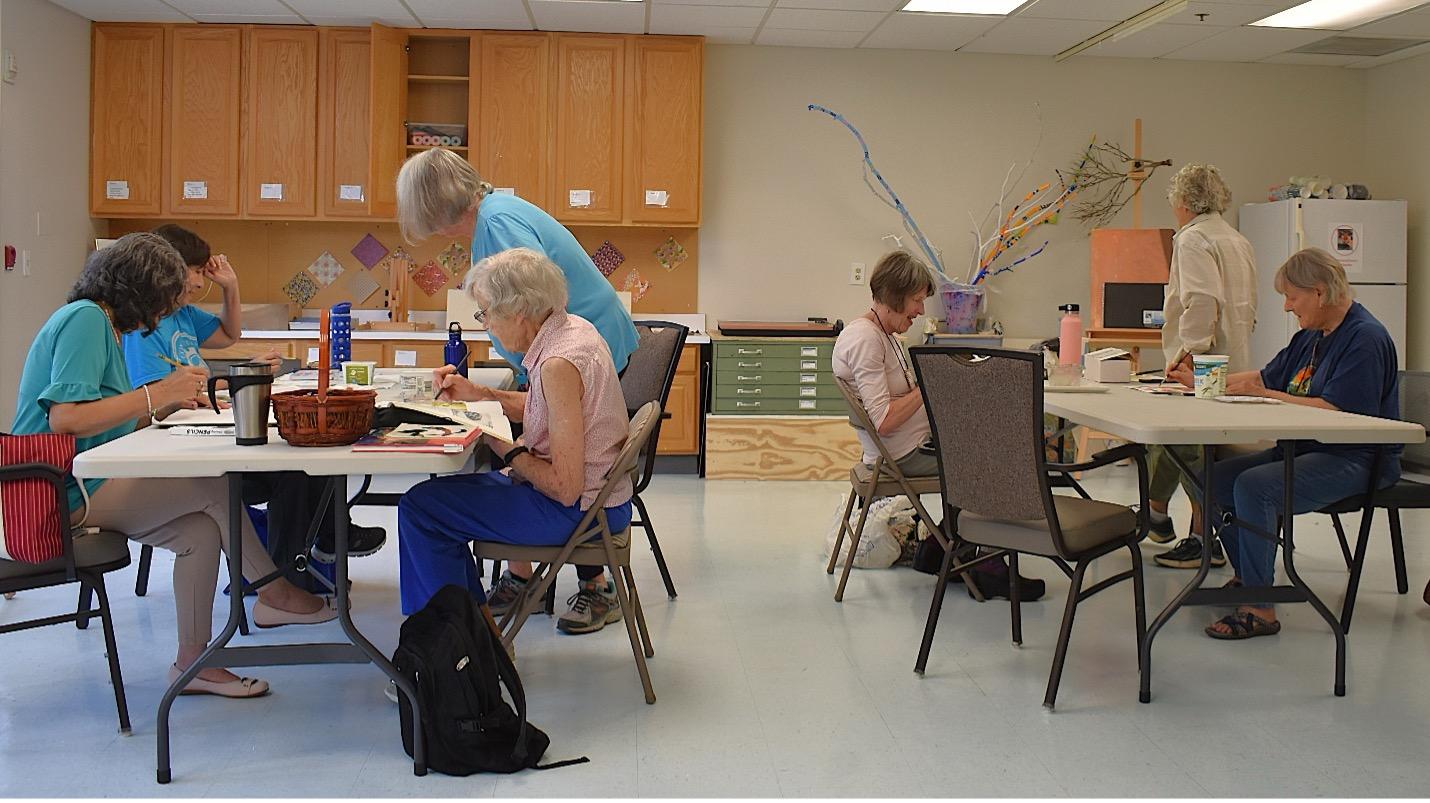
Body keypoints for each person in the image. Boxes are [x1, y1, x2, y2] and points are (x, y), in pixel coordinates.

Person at [11, 233, 336, 697]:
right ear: (139, 289)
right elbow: (66, 418)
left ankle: (193, 664)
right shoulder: (86, 319)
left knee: (199, 533)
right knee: (213, 486)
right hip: (59, 488)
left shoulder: (103, 324)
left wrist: (167, 401)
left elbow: (110, 416)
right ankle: (273, 592)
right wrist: (158, 393)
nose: (165, 310)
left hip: (87, 476)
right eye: (164, 298)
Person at [121, 225, 387, 586]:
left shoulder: (182, 314)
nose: (199, 282)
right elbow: (160, 400)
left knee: (305, 456)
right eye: (195, 271)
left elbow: (229, 335)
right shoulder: (145, 328)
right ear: (165, 271)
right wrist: (234, 383)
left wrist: (230, 286)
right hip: (183, 451)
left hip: (201, 432)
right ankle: (288, 577)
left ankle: (312, 553)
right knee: (294, 469)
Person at [398, 248, 634, 635]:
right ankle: (471, 631)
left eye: (486, 312)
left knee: (422, 509)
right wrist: (479, 394)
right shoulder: (573, 331)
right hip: (602, 501)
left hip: (582, 513)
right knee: (429, 504)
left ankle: (459, 640)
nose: (486, 324)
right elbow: (549, 408)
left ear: (518, 311)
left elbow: (565, 488)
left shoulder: (557, 364)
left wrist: (503, 446)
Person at [1201, 248, 1400, 640]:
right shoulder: (1310, 337)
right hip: (1306, 450)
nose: (1288, 307)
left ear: (1320, 292)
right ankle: (1250, 579)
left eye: (1292, 297)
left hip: (1358, 459)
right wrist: (1199, 378)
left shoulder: (1364, 338)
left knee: (1254, 487)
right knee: (1208, 479)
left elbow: (1336, 414)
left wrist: (1264, 395)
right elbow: (1264, 378)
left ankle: (1260, 607)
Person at [831, 250, 1045, 602]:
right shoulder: (865, 339)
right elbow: (884, 420)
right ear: (895, 296)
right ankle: (987, 566)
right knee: (996, 461)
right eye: (916, 301)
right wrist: (929, 386)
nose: (919, 310)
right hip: (901, 456)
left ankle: (939, 547)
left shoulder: (882, 334)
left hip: (909, 447)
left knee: (986, 437)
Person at [395, 147, 638, 380]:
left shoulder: (496, 223)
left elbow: (534, 305)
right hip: (581, 350)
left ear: (435, 206)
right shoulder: (491, 215)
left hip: (585, 353)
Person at [1147, 163, 1258, 570]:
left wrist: (1190, 352)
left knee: (1192, 446)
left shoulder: (1193, 238)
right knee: (1195, 443)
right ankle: (1162, 517)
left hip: (1204, 358)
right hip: (1234, 355)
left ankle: (1200, 538)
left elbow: (1202, 300)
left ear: (1183, 201)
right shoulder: (1236, 239)